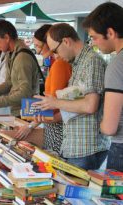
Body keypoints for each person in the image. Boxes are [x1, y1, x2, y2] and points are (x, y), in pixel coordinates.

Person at [33, 23, 110, 170]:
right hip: (76, 146)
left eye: (56, 51)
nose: (56, 56)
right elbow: (79, 103)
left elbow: (90, 105)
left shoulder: (91, 61)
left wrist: (55, 102)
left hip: (86, 147)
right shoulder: (78, 63)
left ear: (66, 41)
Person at [16, 25, 72, 154]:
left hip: (57, 126)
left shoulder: (59, 65)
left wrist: (31, 125)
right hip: (56, 124)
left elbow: (52, 104)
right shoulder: (58, 64)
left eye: (38, 46)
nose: (38, 50)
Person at [83, 2, 123, 171]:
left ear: (111, 32)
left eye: (94, 37)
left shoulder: (117, 64)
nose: (93, 43)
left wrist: (100, 125)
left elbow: (109, 127)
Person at [0, 20, 39, 117]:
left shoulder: (22, 57)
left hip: (26, 112)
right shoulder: (10, 54)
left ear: (6, 37)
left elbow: (25, 92)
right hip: (19, 110)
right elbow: (9, 83)